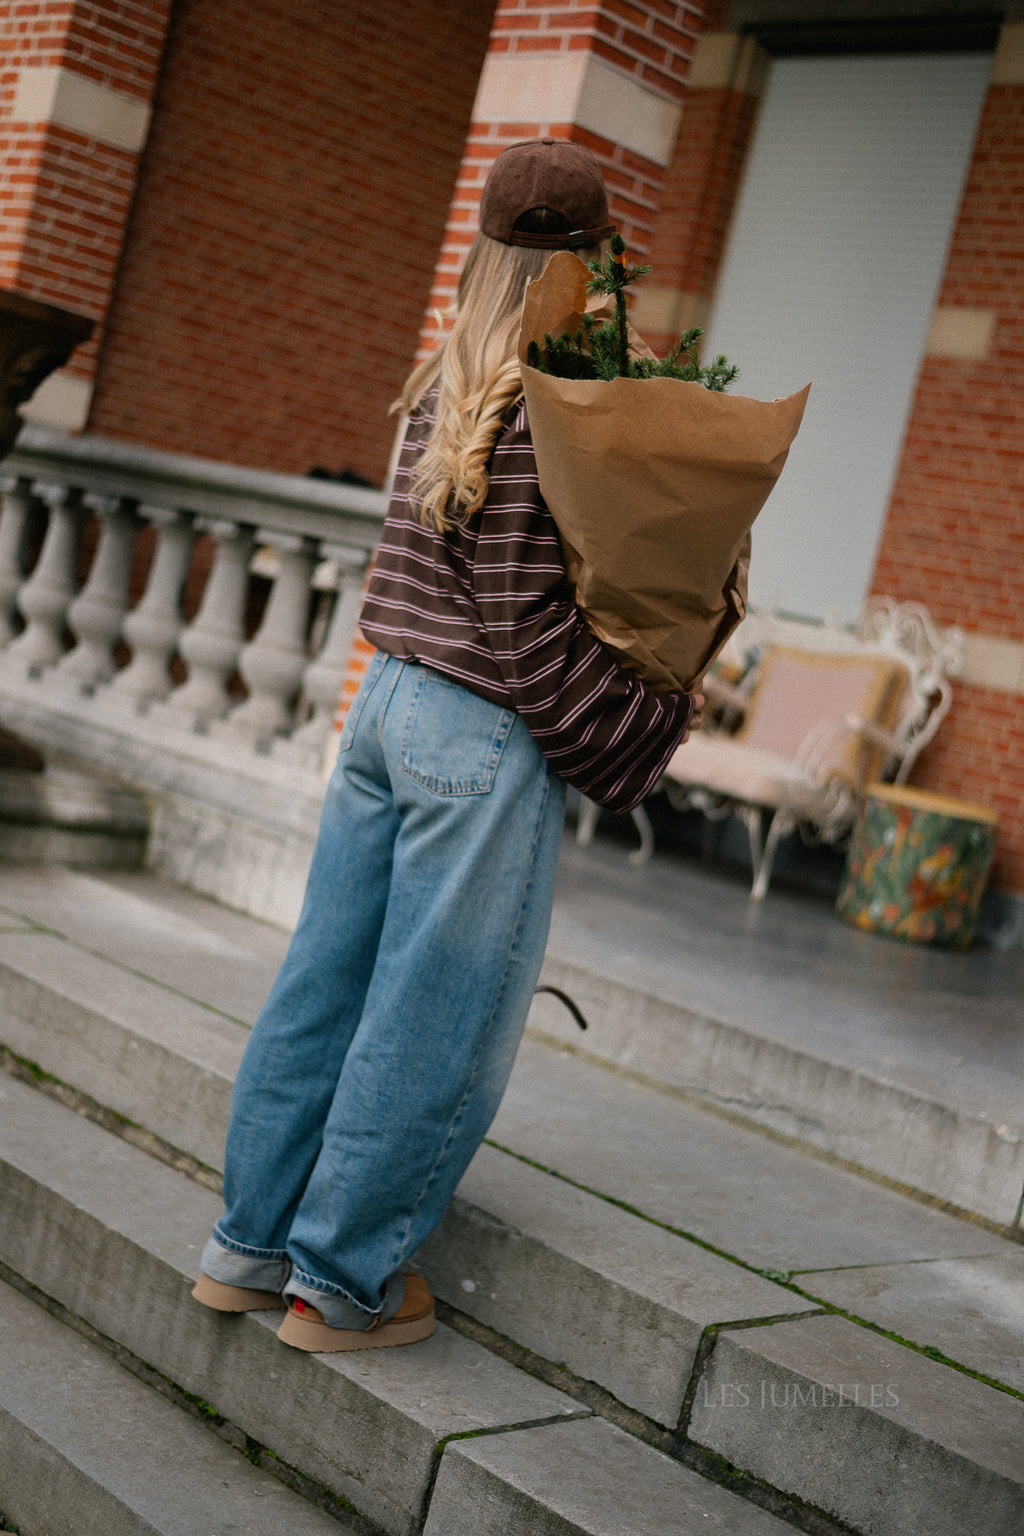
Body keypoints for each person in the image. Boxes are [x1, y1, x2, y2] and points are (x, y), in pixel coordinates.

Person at [191, 138, 701, 1352]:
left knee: (323, 984)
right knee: (435, 1019)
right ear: (583, 266)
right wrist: (649, 719)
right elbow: (523, 629)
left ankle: (247, 1249)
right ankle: (341, 1286)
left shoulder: (444, 379)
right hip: (476, 733)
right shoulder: (553, 406)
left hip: (385, 705)